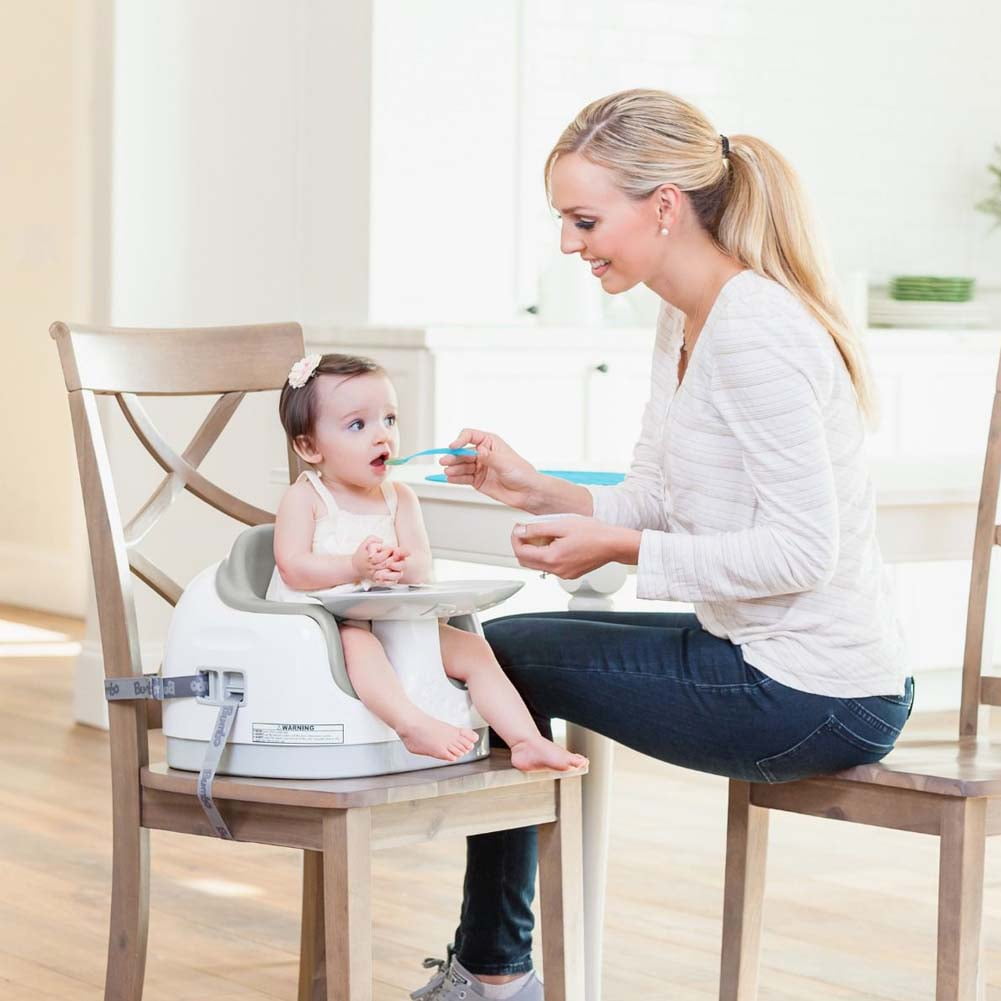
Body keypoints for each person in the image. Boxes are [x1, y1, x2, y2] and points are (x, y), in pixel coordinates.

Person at [409, 88, 912, 1001]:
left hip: (813, 691)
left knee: (504, 655)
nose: (570, 244)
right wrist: (535, 488)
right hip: (757, 653)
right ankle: (494, 969)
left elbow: (803, 551)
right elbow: (656, 498)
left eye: (584, 219)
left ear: (664, 206)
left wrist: (618, 547)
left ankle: (490, 973)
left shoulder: (753, 332)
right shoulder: (683, 316)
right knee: (498, 649)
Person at [267, 351, 588, 772]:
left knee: (472, 648)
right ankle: (411, 724)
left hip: (390, 618)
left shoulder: (400, 498)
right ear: (309, 447)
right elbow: (294, 567)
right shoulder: (305, 497)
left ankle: (525, 740)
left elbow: (421, 565)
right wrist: (354, 568)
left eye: (390, 420)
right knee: (358, 643)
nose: (382, 436)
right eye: (358, 425)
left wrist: (403, 567)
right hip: (325, 627)